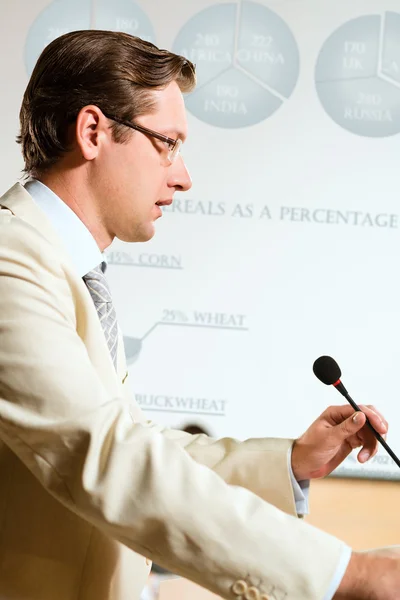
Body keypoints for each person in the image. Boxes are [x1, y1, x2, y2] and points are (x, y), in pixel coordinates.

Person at [0, 30, 398, 600]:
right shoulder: (10, 260)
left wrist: (289, 461)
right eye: (168, 144)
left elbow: (133, 440)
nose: (183, 176)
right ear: (93, 132)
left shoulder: (62, 265)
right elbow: (106, 456)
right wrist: (348, 576)